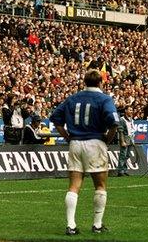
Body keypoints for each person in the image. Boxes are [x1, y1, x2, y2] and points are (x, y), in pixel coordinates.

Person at [50, 69, 119, 235]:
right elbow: (114, 123)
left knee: (73, 186)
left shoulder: (72, 98)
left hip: (75, 143)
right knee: (100, 186)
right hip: (95, 143)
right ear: (100, 82)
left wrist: (67, 137)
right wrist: (107, 141)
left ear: (84, 82)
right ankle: (97, 225)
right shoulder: (104, 98)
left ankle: (71, 225)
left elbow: (55, 118)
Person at [116, 107, 136, 177]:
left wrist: (133, 140)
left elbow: (132, 130)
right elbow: (120, 131)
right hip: (125, 138)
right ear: (125, 111)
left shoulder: (131, 119)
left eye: (132, 110)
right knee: (123, 155)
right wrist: (122, 141)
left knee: (127, 155)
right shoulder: (122, 119)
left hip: (130, 138)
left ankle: (124, 170)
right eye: (130, 110)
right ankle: (120, 171)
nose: (131, 111)